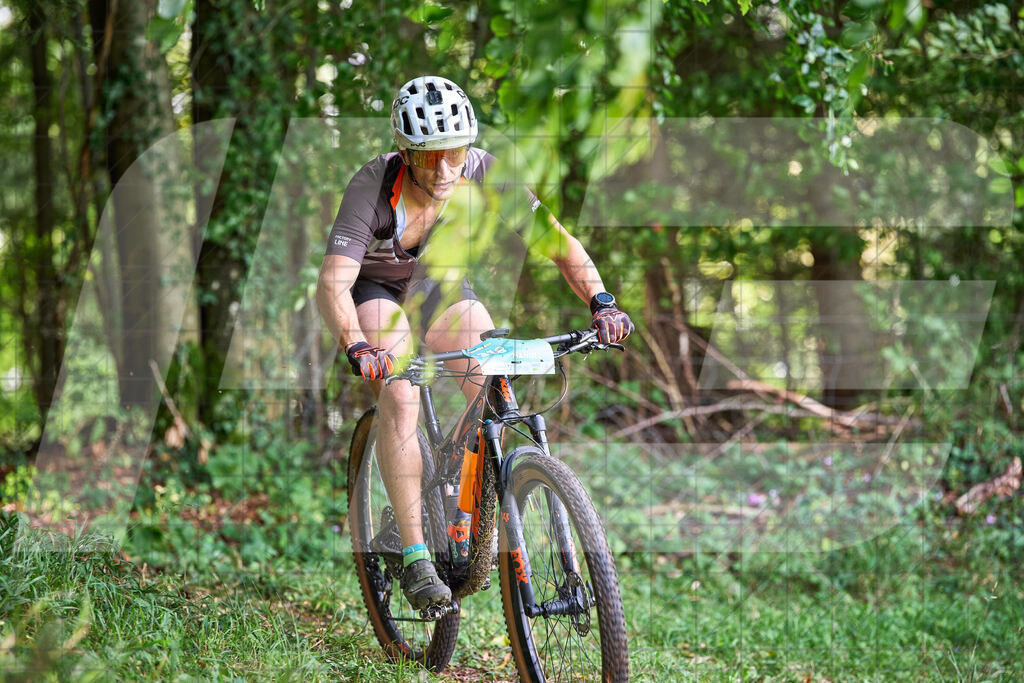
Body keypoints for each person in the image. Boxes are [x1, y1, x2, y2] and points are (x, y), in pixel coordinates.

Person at [316, 75, 633, 610]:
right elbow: (333, 284)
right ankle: (416, 555)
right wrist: (356, 344)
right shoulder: (372, 184)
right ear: (405, 151)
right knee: (399, 391)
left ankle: (457, 497)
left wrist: (601, 301)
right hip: (378, 289)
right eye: (430, 156)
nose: (444, 170)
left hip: (441, 289)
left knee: (491, 372)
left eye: (455, 152)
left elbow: (557, 243)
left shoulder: (485, 172)